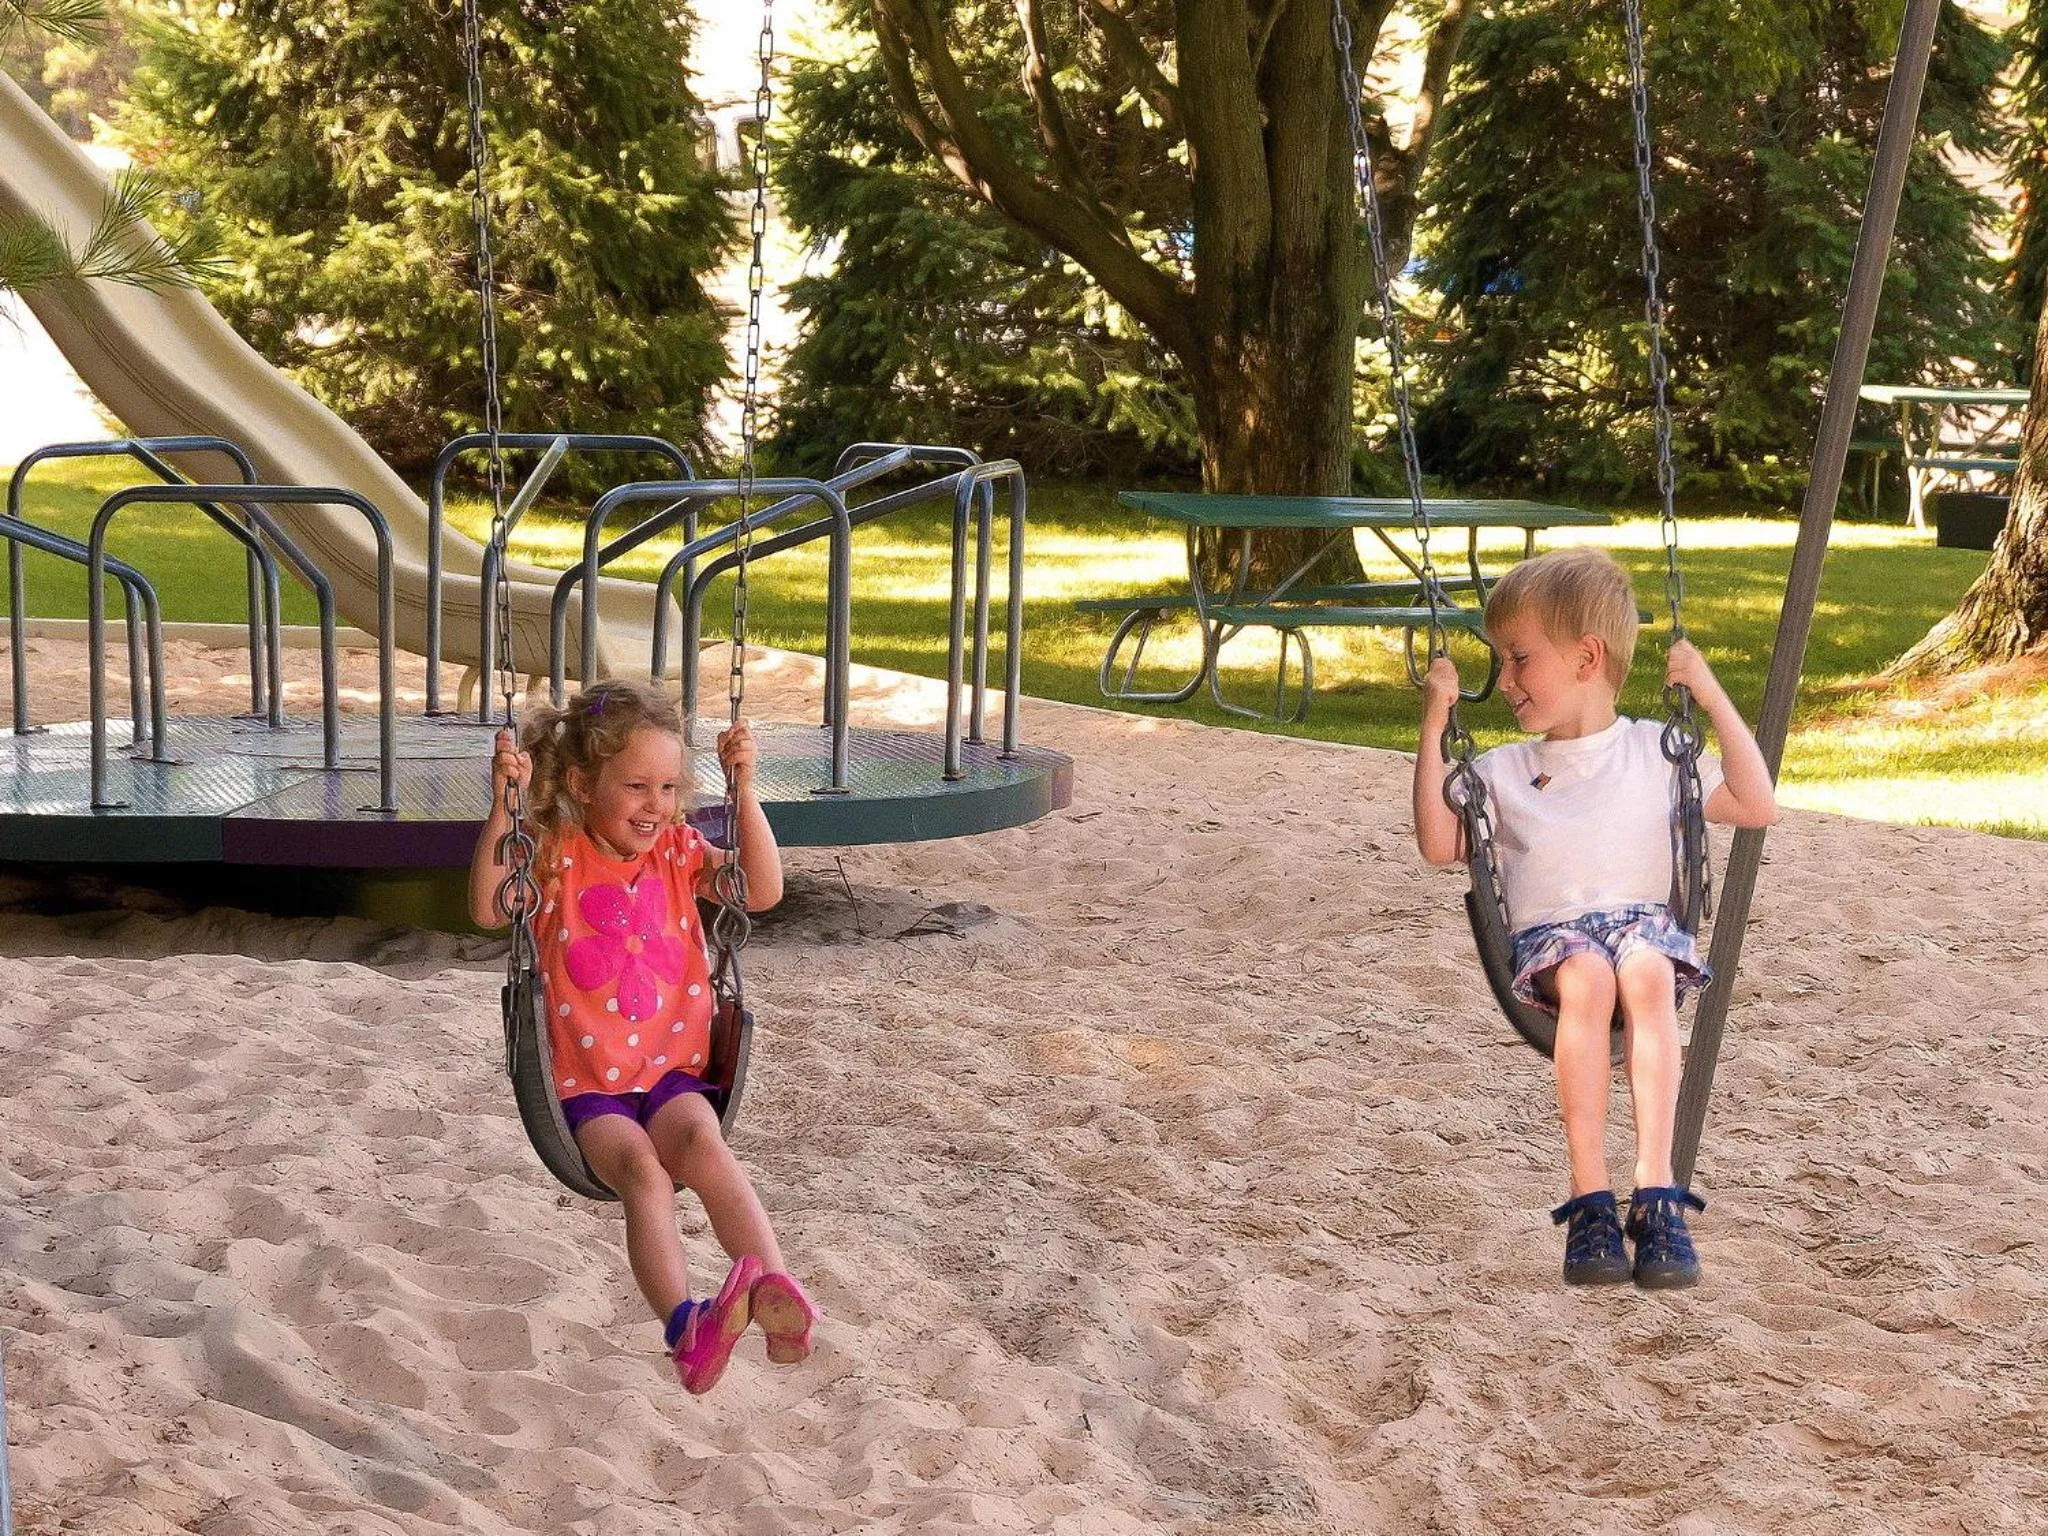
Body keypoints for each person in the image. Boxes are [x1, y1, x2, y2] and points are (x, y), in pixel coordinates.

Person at [1412, 548, 1776, 1289]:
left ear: (1585, 659)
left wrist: (1708, 693)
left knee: (1643, 972)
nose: (1504, 680)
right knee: (1587, 976)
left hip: (1645, 928)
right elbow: (1439, 843)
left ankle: (1655, 1189)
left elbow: (1757, 802)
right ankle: (1589, 1199)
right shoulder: (1504, 771)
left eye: (1518, 659)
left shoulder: (1656, 751)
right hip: (1557, 941)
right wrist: (1434, 720)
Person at [469, 679, 817, 1390]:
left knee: (703, 1145)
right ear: (580, 783)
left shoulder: (679, 853)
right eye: (634, 786)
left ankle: (776, 1289)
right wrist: (502, 808)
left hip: (672, 1075)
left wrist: (744, 791)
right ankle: (687, 1328)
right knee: (643, 1174)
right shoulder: (558, 856)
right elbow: (485, 905)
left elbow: (763, 889)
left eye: (666, 786)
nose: (654, 804)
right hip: (591, 1091)